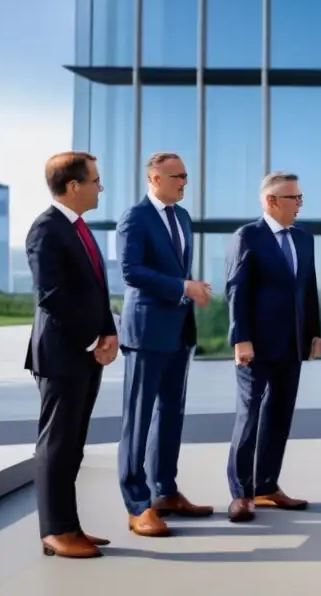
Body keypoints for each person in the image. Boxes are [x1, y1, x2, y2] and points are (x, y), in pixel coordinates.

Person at [25, 151, 119, 559]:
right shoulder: (46, 230)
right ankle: (55, 532)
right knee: (57, 445)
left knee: (73, 444)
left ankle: (70, 526)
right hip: (63, 355)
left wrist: (109, 332)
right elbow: (52, 297)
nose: (101, 187)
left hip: (85, 352)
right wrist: (91, 339)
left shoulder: (80, 229)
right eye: (95, 180)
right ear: (73, 186)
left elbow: (96, 289)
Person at [116, 152, 214, 537]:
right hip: (146, 332)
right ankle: (137, 505)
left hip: (177, 329)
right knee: (139, 418)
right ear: (155, 178)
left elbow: (176, 269)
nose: (184, 182)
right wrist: (182, 287)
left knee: (171, 413)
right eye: (178, 176)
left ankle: (165, 492)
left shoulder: (183, 218)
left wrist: (190, 288)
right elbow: (130, 270)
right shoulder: (135, 217)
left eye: (187, 175)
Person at [223, 171, 321, 523]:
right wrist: (241, 338)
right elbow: (236, 290)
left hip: (292, 342)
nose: (299, 204)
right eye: (293, 198)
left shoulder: (303, 238)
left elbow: (308, 287)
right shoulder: (247, 236)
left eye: (300, 198)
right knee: (249, 416)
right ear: (270, 201)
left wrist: (314, 331)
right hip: (256, 345)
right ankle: (241, 493)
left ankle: (266, 486)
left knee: (279, 416)